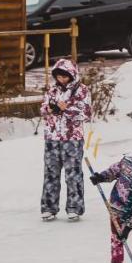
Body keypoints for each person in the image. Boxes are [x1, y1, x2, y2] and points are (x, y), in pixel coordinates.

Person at [39, 58, 91, 222]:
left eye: (65, 76)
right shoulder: (52, 91)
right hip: (52, 137)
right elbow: (43, 109)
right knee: (50, 173)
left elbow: (86, 113)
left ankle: (74, 207)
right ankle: (49, 207)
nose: (61, 79)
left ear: (72, 75)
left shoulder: (82, 91)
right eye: (59, 76)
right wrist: (50, 109)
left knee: (73, 174)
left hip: (72, 139)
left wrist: (66, 108)